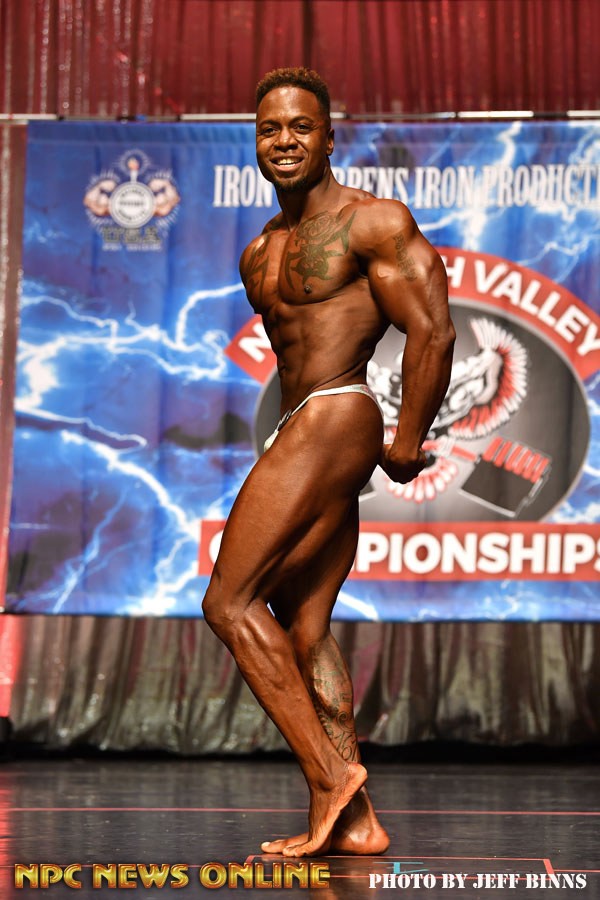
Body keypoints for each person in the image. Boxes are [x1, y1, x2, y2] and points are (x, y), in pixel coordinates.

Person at [202, 67, 455, 858]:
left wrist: (407, 440)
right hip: (300, 425)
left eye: (300, 126)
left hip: (338, 412)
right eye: (269, 128)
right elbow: (290, 354)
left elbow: (433, 328)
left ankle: (328, 779)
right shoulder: (259, 253)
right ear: (256, 142)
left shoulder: (372, 222)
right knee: (304, 628)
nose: (284, 140)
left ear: (330, 138)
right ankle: (358, 821)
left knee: (228, 603)